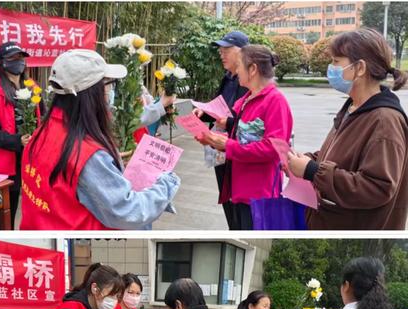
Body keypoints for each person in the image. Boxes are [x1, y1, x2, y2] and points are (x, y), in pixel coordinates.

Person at [20, 49, 180, 230]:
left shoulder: (42, 132)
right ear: (92, 93)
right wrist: (167, 183)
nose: (109, 91)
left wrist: (111, 167)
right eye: (108, 84)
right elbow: (128, 211)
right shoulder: (86, 154)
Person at [287, 28, 408, 230]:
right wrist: (305, 160)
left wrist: (312, 171)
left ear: (359, 68)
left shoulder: (384, 121)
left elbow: (377, 187)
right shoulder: (354, 107)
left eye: (336, 61)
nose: (330, 68)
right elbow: (341, 155)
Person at [198, 45, 293, 230]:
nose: (237, 71)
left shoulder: (275, 101)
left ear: (253, 69)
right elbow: (242, 137)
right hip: (239, 188)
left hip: (259, 193)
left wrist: (228, 146)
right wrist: (213, 141)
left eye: (240, 65)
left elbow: (273, 149)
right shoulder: (248, 99)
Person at [0, 42, 41, 230]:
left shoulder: (32, 89)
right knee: (9, 206)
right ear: (2, 63)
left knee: (34, 201)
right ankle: (1, 234)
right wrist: (16, 140)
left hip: (30, 156)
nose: (18, 62)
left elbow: (41, 116)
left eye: (21, 58)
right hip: (9, 158)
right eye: (13, 59)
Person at [193, 31, 249, 227]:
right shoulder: (228, 78)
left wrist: (228, 122)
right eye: (220, 51)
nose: (221, 55)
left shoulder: (250, 83)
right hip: (219, 147)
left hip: (238, 149)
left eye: (226, 50)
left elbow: (251, 124)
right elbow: (220, 107)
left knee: (239, 201)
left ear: (242, 52)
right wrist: (204, 112)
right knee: (226, 195)